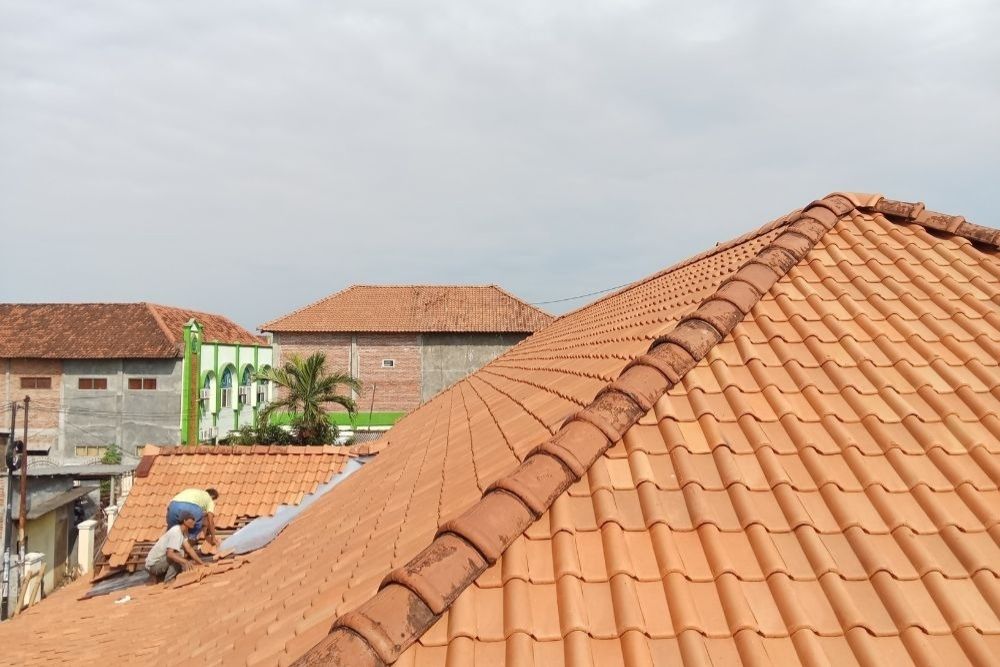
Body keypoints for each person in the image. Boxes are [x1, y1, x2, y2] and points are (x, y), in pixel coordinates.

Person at [145, 512, 203, 582]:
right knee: (179, 554)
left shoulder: (182, 533)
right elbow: (170, 554)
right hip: (153, 566)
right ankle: (169, 580)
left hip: (160, 562)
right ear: (185, 521)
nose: (195, 521)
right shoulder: (176, 532)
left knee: (181, 554)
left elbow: (189, 549)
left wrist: (201, 563)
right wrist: (185, 561)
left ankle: (161, 577)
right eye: (192, 519)